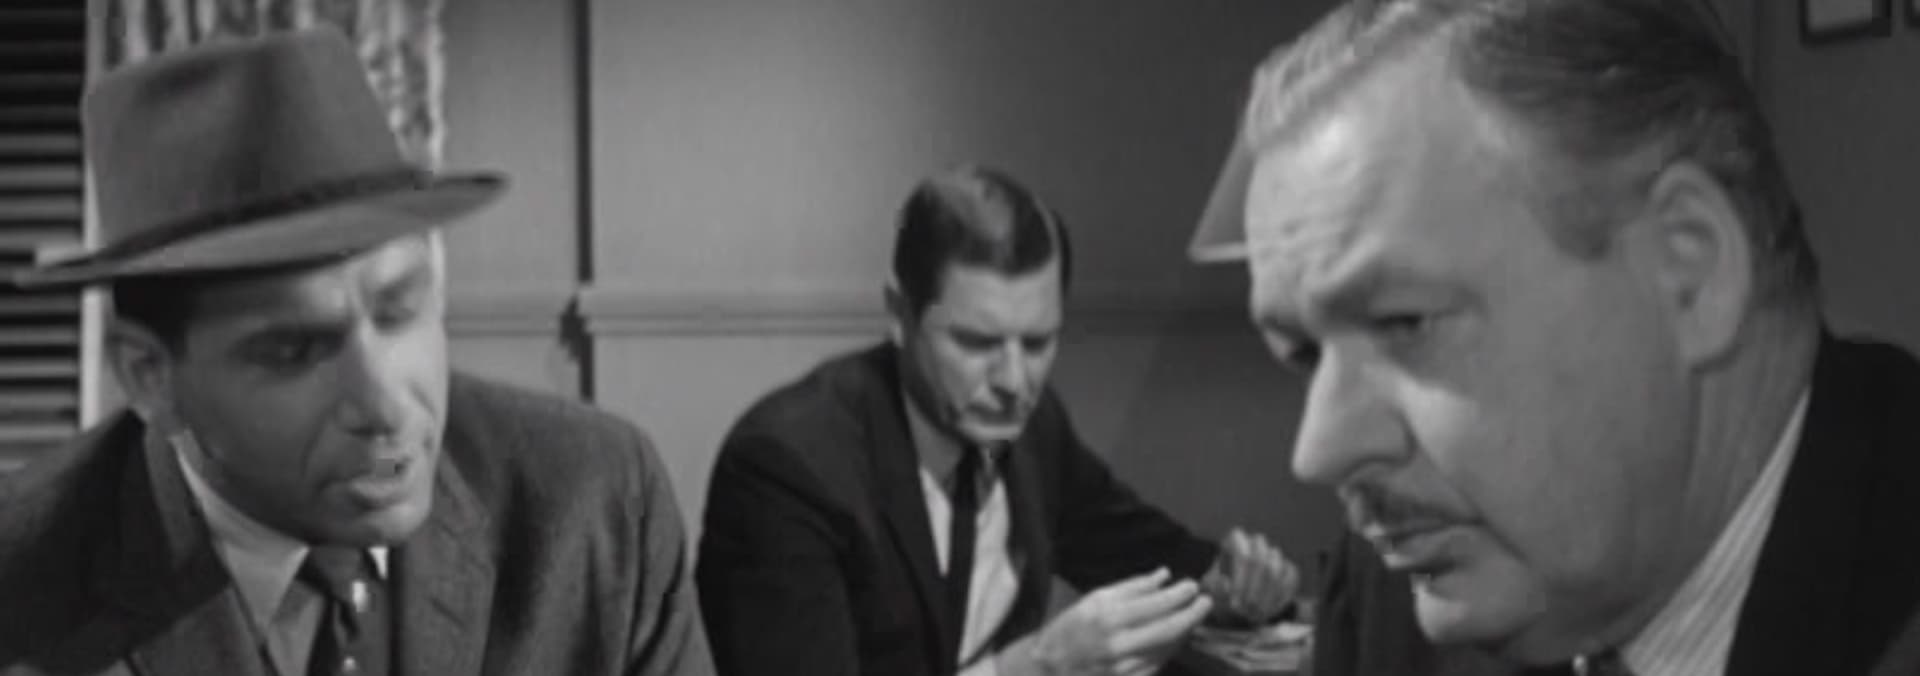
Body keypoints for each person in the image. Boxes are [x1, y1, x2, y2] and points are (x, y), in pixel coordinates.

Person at [1186, 1, 1920, 674]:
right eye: (1304, 355)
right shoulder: (1397, 601)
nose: (1318, 452)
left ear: (1688, 274)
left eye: (1403, 323)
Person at [0, 28, 711, 676]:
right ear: (149, 376)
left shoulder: (596, 504)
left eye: (400, 310)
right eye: (293, 351)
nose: (384, 405)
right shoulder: (20, 581)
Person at [696, 164, 1300, 676]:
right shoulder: (786, 467)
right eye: (977, 342)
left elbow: (1140, 548)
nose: (1014, 381)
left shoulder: (1032, 428)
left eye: (1038, 342)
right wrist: (1037, 667)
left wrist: (1229, 589)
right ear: (899, 315)